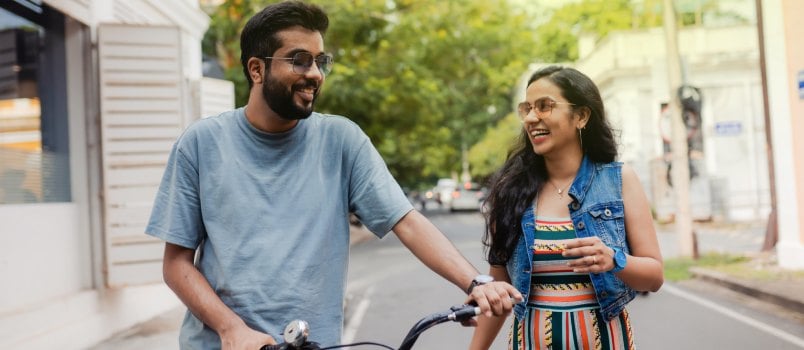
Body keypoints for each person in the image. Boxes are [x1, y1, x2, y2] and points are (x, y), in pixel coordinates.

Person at [144, 1, 521, 349]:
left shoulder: (341, 140)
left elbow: (405, 221)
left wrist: (476, 283)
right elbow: (176, 263)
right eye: (299, 60)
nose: (314, 74)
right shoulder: (201, 143)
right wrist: (231, 329)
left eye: (320, 61)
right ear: (256, 69)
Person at [469, 66, 664, 350]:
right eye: (527, 109)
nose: (532, 118)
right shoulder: (510, 191)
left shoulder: (619, 180)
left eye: (545, 106)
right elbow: (498, 288)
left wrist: (614, 259)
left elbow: (654, 276)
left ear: (581, 116)